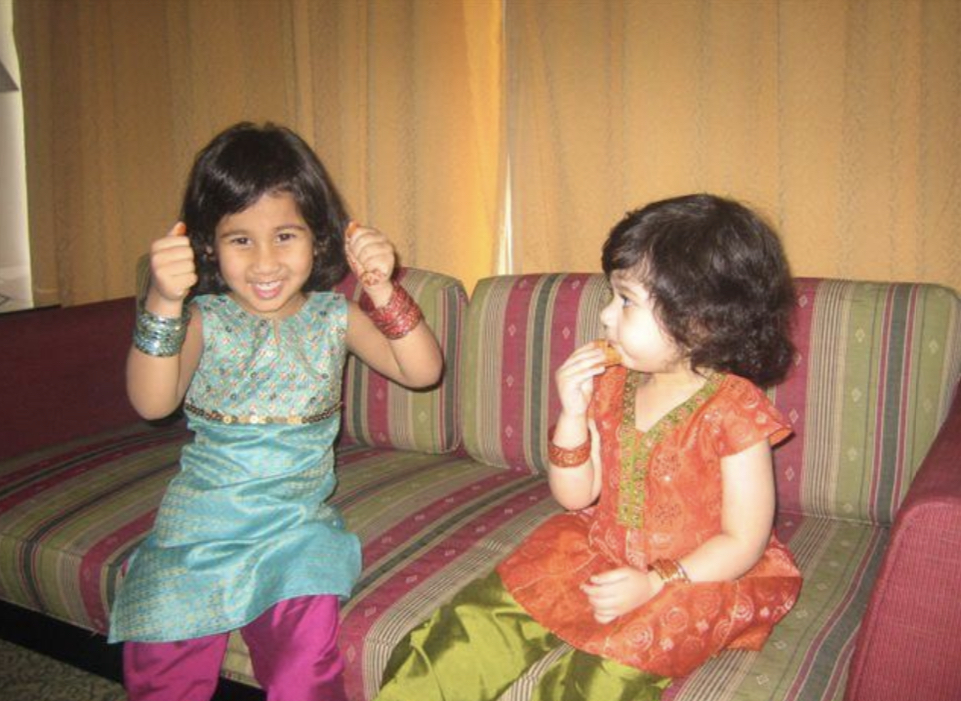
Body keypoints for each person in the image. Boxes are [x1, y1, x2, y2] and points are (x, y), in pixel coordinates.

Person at [375, 194, 802, 701]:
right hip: (597, 548)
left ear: (700, 321)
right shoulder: (612, 383)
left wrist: (657, 583)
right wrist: (573, 415)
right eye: (611, 296)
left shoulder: (734, 410)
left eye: (626, 301)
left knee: (599, 682)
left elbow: (744, 542)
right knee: (468, 632)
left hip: (697, 576)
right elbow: (577, 498)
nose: (604, 316)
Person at [108, 122, 443, 701]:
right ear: (208, 246)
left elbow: (422, 370)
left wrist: (382, 287)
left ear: (319, 238)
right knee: (161, 664)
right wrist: (163, 299)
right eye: (241, 240)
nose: (265, 263)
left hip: (296, 533)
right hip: (201, 532)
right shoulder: (205, 320)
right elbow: (151, 401)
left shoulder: (333, 317)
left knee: (303, 670)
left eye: (285, 235)